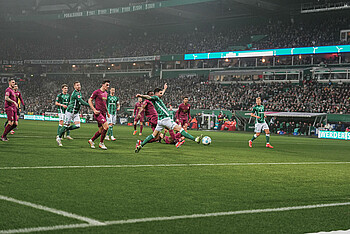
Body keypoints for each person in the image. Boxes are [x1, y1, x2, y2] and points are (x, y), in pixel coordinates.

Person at [135, 83, 203, 153]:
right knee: (181, 129)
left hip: (160, 120)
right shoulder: (155, 97)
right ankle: (195, 139)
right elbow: (148, 97)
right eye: (160, 93)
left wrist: (165, 89)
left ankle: (141, 145)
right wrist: (141, 95)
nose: (162, 94)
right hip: (165, 119)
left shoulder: (157, 99)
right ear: (156, 93)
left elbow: (158, 95)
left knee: (153, 135)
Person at [56, 81, 90, 147]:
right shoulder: (75, 93)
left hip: (76, 112)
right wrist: (90, 105)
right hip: (70, 111)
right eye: (77, 85)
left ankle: (66, 129)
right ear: (74, 87)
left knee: (78, 125)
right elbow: (81, 101)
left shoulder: (79, 92)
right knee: (65, 125)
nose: (79, 86)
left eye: (79, 85)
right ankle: (58, 138)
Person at [88, 80, 110, 150]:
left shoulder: (106, 93)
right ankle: (101, 143)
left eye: (108, 85)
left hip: (103, 113)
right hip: (98, 113)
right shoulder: (97, 92)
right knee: (106, 127)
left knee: (101, 131)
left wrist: (107, 112)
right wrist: (94, 110)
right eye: (107, 85)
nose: (108, 86)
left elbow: (104, 103)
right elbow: (89, 100)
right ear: (103, 85)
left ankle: (91, 140)